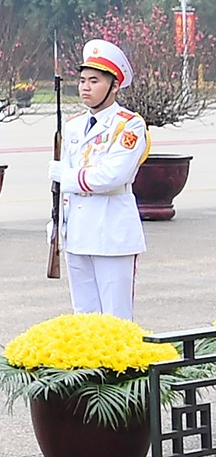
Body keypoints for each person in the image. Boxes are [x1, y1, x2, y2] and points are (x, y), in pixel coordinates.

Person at [52, 39, 147, 320]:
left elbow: (112, 176)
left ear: (114, 86)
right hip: (77, 232)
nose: (85, 87)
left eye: (94, 81)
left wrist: (67, 177)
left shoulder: (128, 124)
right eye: (82, 80)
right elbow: (62, 190)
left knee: (116, 317)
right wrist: (58, 222)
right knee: (84, 316)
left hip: (111, 231)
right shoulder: (73, 126)